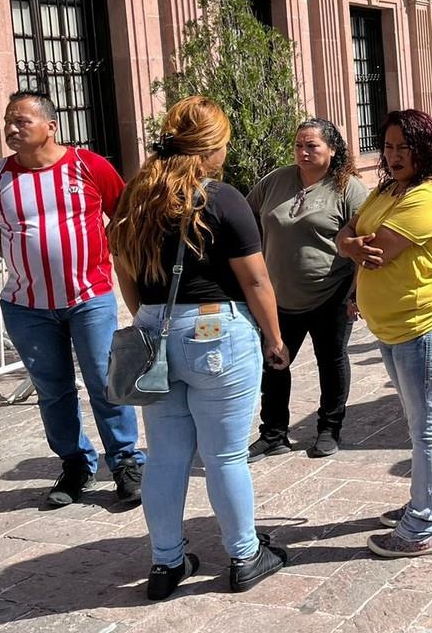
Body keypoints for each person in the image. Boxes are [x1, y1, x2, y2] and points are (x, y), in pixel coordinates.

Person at [107, 96, 291, 600]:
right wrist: (274, 340)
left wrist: (151, 317)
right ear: (209, 149)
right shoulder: (222, 198)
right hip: (215, 333)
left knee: (165, 457)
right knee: (226, 456)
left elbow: (126, 275)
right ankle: (244, 554)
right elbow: (255, 281)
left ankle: (166, 563)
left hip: (153, 331)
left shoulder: (134, 198)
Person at [0, 91, 144, 509]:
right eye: (8, 121)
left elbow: (123, 216)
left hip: (89, 298)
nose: (11, 128)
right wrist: (33, 257)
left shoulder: (89, 165)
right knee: (53, 390)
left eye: (21, 121)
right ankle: (75, 464)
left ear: (51, 126)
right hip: (27, 306)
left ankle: (124, 462)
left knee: (106, 381)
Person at [336, 109, 432, 559]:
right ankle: (423, 501)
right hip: (391, 329)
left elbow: (378, 251)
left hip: (423, 328)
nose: (392, 156)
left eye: (402, 148)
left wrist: (352, 244)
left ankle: (422, 527)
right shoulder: (388, 190)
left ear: (423, 149)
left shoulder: (429, 197)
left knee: (427, 430)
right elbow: (349, 232)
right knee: (417, 427)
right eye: (387, 147)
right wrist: (349, 243)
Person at [246, 118, 367, 461]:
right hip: (278, 295)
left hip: (331, 294)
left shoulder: (348, 188)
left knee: (330, 362)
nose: (303, 152)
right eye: (299, 145)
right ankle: (273, 434)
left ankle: (329, 429)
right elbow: (247, 216)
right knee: (274, 363)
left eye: (312, 145)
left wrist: (357, 292)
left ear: (332, 149)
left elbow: (365, 241)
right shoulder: (276, 181)